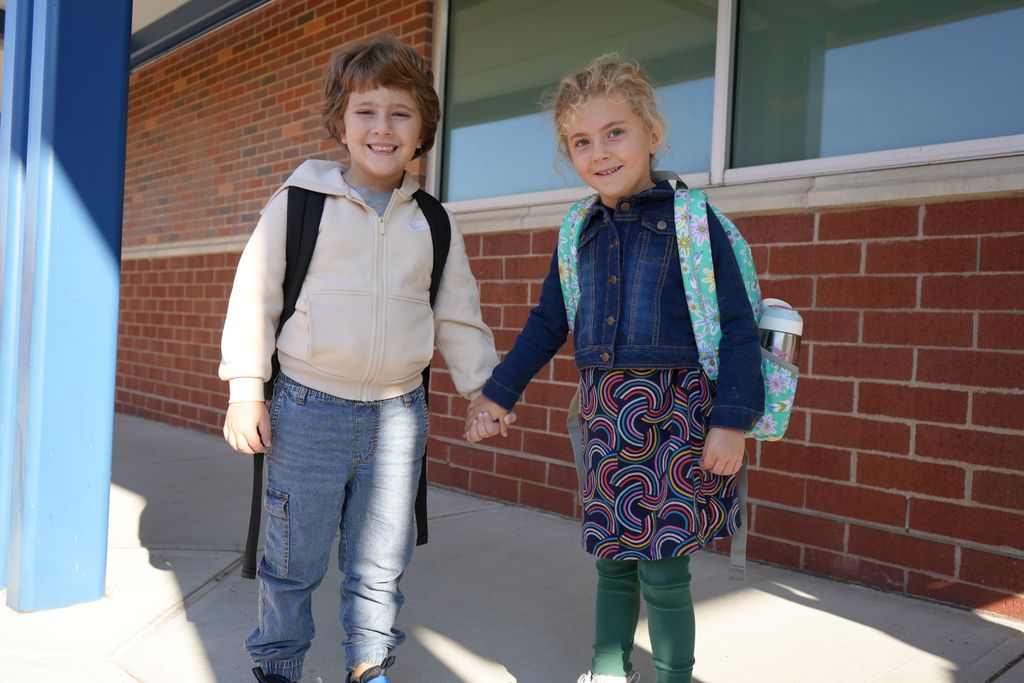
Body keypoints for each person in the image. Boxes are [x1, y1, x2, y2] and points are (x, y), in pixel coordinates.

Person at [465, 55, 764, 683]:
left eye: (615, 132)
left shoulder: (691, 221)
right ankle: (606, 668)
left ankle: (674, 675)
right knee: (613, 557)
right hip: (609, 416)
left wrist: (733, 421)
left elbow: (737, 323)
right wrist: (498, 392)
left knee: (663, 565)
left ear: (652, 135)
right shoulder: (579, 229)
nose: (599, 152)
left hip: (678, 415)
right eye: (581, 141)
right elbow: (550, 321)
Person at [219, 35, 501, 683]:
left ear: (423, 127)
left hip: (398, 416)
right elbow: (255, 295)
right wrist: (245, 388)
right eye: (366, 111)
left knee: (379, 561)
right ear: (340, 123)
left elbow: (456, 312)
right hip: (306, 411)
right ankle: (280, 666)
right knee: (291, 556)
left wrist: (484, 387)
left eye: (400, 113)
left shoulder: (432, 221)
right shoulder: (300, 203)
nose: (382, 128)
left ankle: (368, 667)